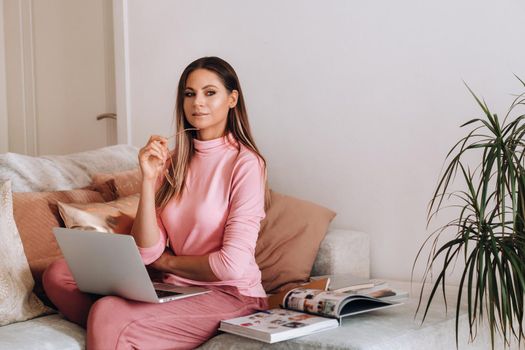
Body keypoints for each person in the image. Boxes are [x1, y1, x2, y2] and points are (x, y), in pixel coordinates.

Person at [43, 56, 269, 349]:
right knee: (59, 273)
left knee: (108, 311)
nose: (197, 102)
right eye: (190, 94)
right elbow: (147, 250)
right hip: (173, 286)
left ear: (232, 99)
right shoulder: (172, 161)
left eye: (209, 92)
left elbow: (230, 266)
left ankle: (118, 327)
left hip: (232, 295)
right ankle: (128, 331)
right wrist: (148, 180)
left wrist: (167, 263)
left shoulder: (246, 163)